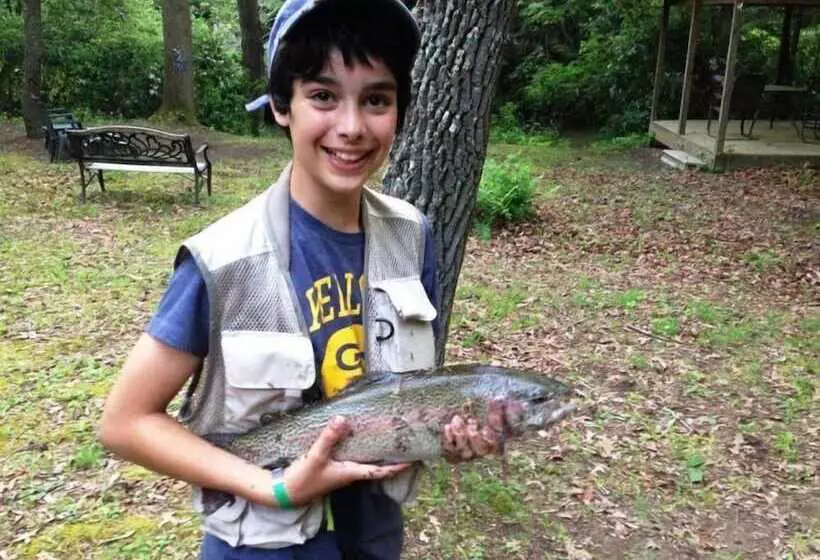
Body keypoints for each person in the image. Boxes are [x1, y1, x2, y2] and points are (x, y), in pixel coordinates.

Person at [99, 1, 500, 558]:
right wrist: (275, 486)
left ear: (400, 112)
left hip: (375, 535)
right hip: (261, 547)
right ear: (282, 104)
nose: (353, 127)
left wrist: (449, 435)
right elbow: (123, 422)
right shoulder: (222, 261)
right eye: (323, 95)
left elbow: (407, 395)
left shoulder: (415, 236)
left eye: (377, 99)